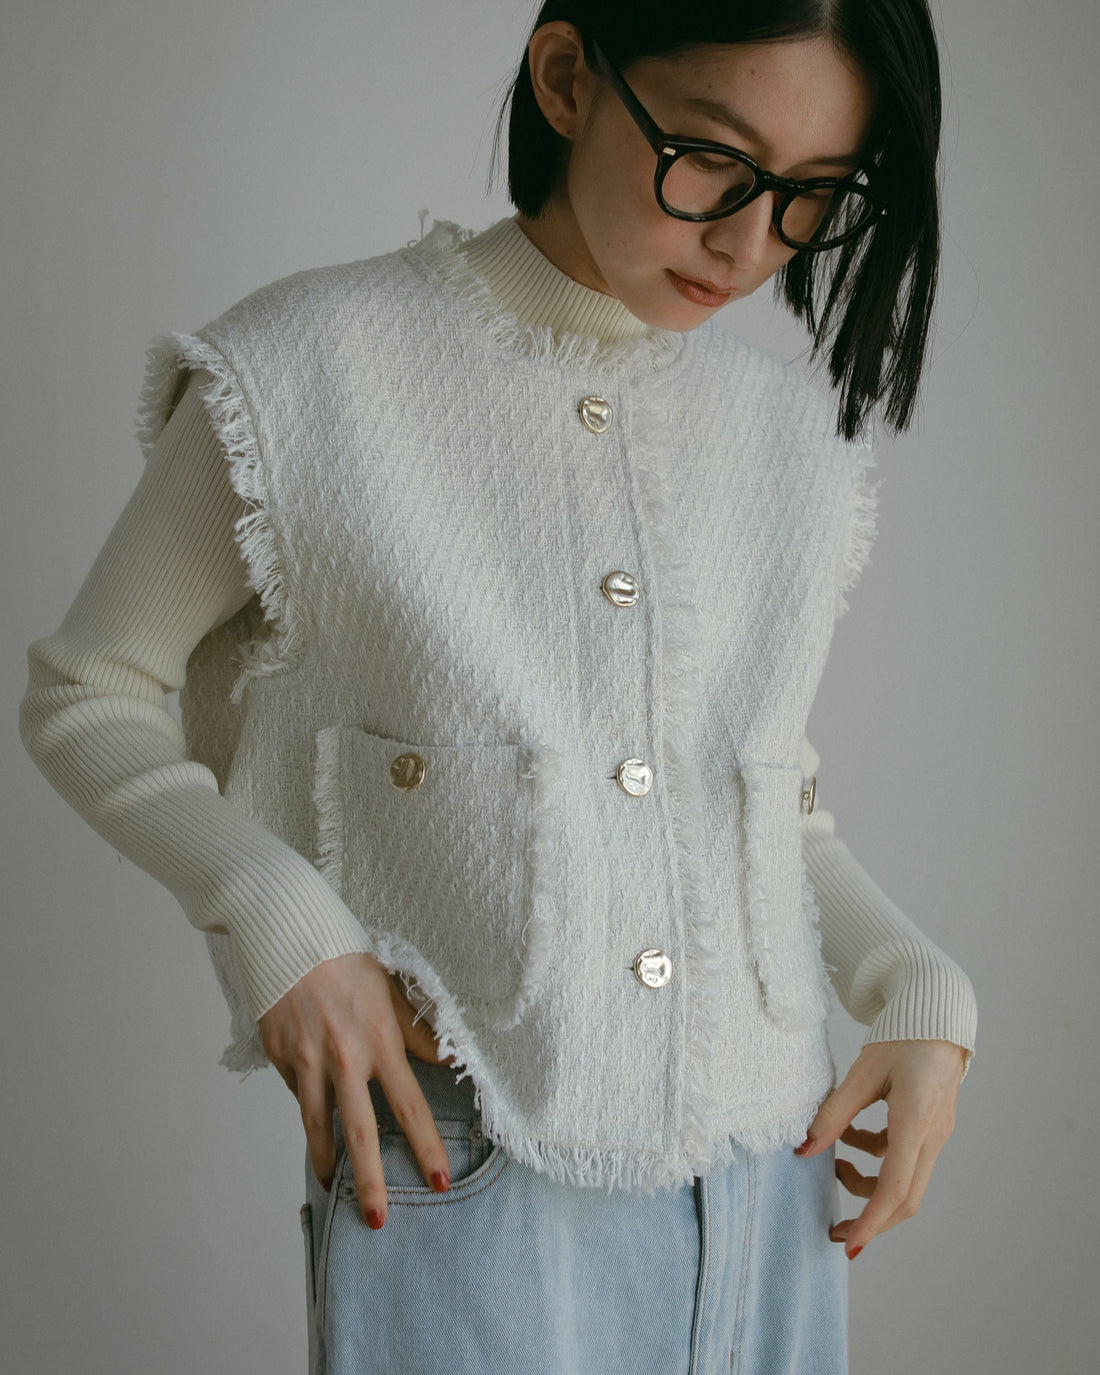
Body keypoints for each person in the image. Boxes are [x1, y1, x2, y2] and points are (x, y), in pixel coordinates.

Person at [19, 1, 977, 1370]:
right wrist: (287, 924)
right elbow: (88, 690)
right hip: (471, 1155)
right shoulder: (309, 370)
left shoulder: (790, 448)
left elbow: (761, 801)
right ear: (569, 77)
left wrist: (915, 983)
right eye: (714, 160)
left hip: (775, 1178)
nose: (752, 242)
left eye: (815, 193)